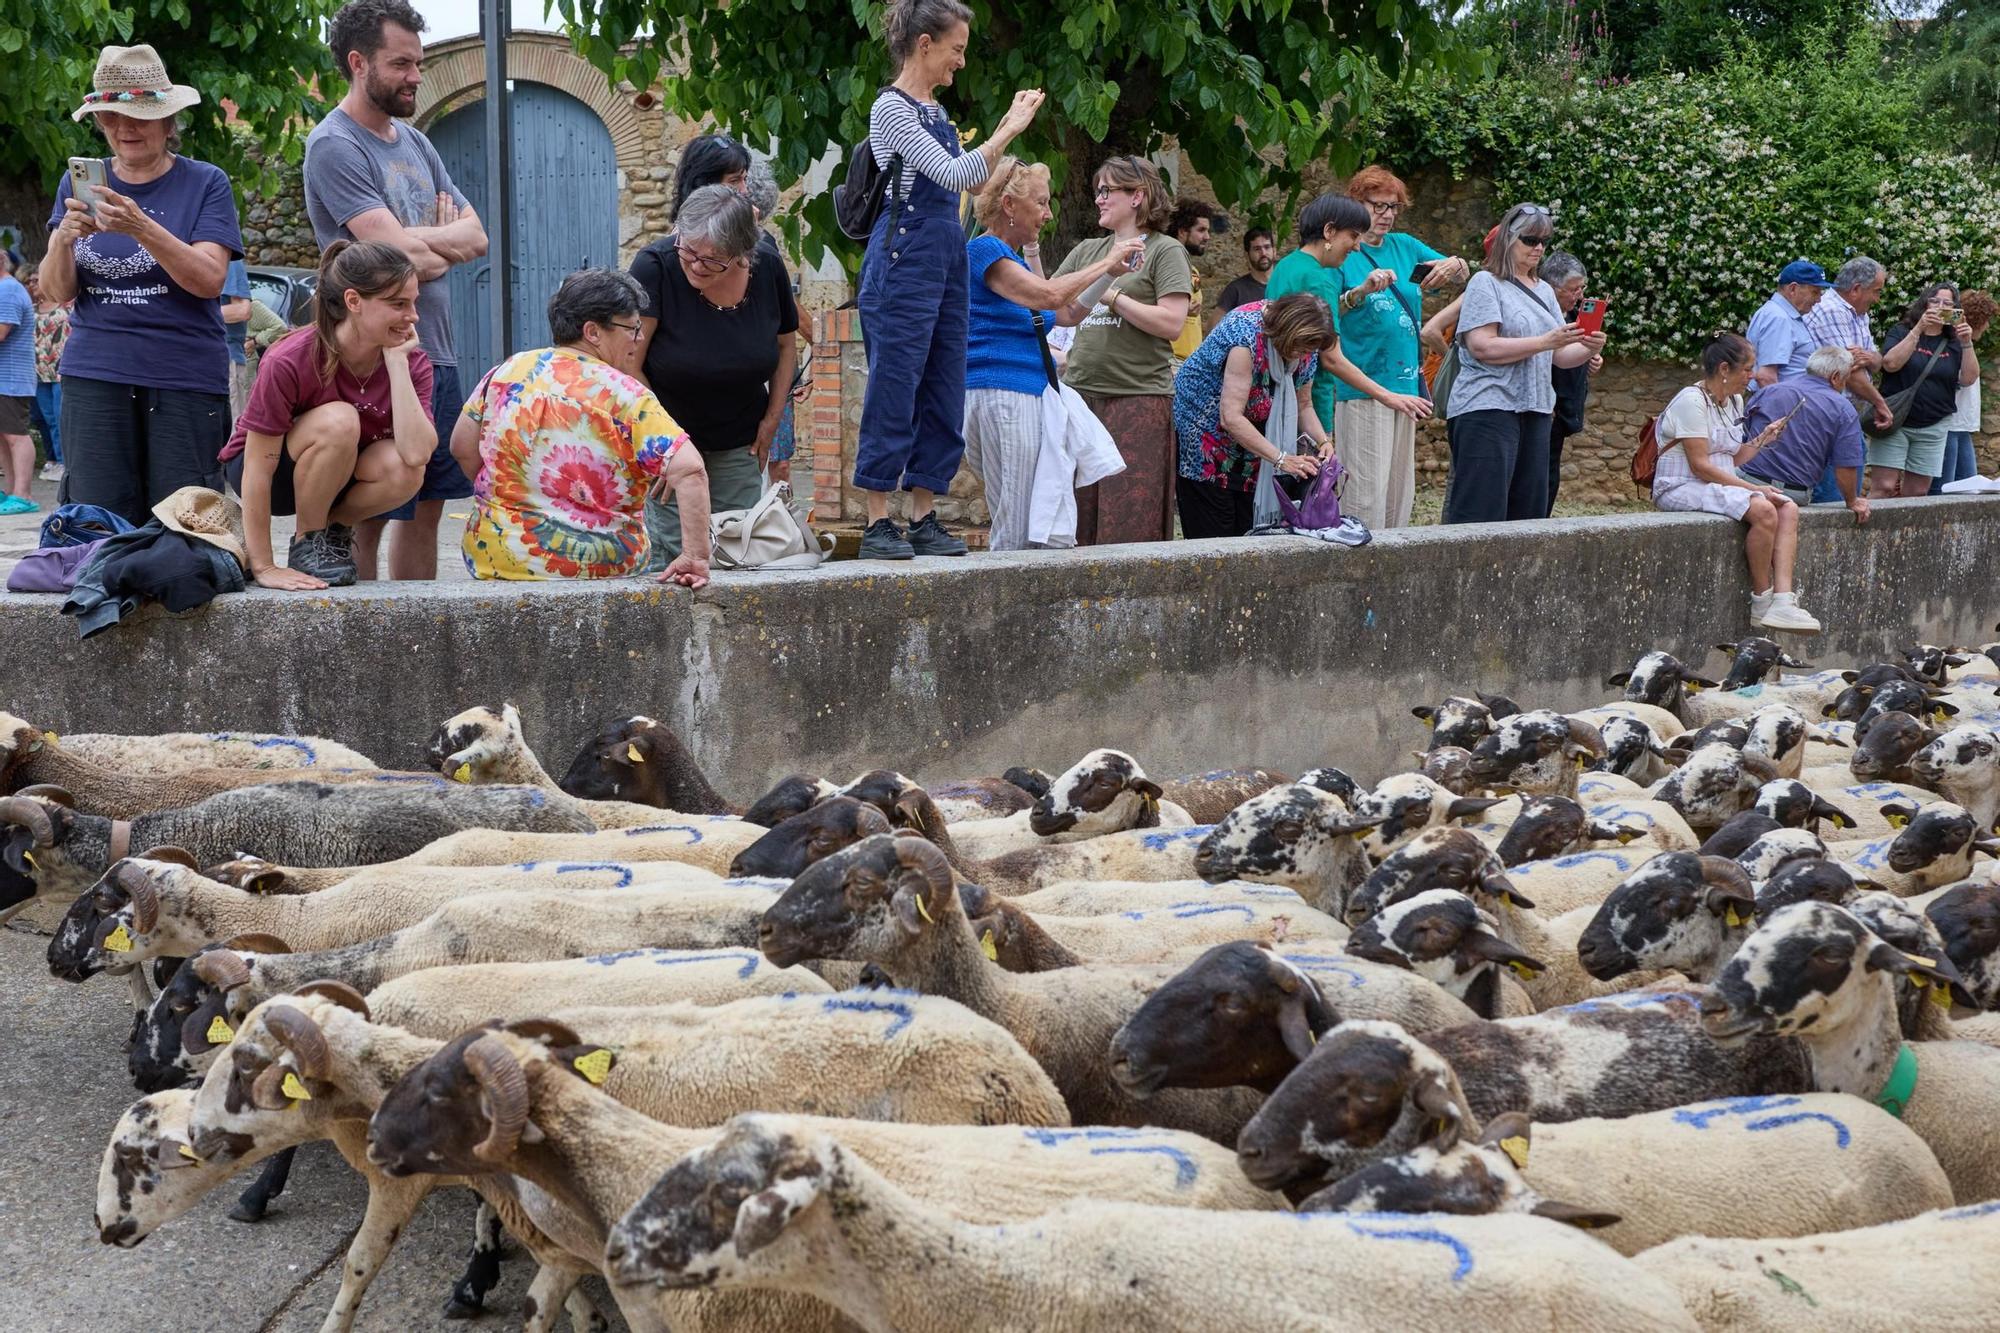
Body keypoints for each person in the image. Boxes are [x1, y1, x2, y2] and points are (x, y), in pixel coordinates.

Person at [305, 0, 488, 581]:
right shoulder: (335, 145)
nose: (415, 76)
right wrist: (430, 243)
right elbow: (393, 264)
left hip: (437, 351)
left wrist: (415, 243)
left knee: (428, 506)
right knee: (375, 507)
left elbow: (478, 236)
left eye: (419, 63)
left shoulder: (416, 142)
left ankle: (417, 624)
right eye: (401, 64)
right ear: (358, 63)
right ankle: (360, 625)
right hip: (375, 358)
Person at [854, 0, 1045, 559]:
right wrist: (1008, 129)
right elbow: (955, 173)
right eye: (957, 49)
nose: (961, 60)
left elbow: (975, 182)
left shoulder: (936, 113)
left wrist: (999, 136)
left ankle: (923, 515)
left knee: (943, 385)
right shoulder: (890, 108)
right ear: (925, 44)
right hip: (903, 257)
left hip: (945, 258)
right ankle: (877, 523)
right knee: (894, 386)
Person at [39, 43, 242, 525]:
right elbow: (57, 291)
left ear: (169, 122)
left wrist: (141, 228)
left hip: (183, 374)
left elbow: (209, 280)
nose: (125, 127)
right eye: (111, 117)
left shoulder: (206, 182)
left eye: (140, 116)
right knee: (96, 521)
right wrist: (62, 240)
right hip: (95, 372)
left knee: (185, 524)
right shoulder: (77, 184)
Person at [451, 268, 711, 585]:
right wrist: (696, 556)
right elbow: (690, 469)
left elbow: (461, 447)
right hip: (597, 568)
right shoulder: (627, 396)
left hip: (495, 558)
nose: (640, 338)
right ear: (593, 332)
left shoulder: (506, 372)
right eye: (632, 328)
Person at [220, 241, 431, 590]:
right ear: (353, 301)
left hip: (339, 475)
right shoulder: (291, 357)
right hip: (273, 476)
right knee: (340, 420)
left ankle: (329, 531)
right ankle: (308, 541)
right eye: (398, 304)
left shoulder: (412, 361)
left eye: (413, 302)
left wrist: (397, 364)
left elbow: (417, 454)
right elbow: (258, 467)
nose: (413, 316)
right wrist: (264, 566)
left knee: (405, 469)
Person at [961, 157, 1143, 550]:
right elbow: (1050, 295)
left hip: (1018, 393)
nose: (1047, 214)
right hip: (1005, 393)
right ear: (1009, 205)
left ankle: (1016, 584)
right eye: (1041, 203)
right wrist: (1106, 260)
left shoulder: (1010, 260)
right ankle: (1010, 587)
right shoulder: (985, 250)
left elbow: (1068, 313)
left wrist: (1111, 273)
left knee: (1026, 516)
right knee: (1019, 520)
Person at [629, 185, 796, 564]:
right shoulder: (655, 267)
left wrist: (772, 420)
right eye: (688, 252)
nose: (696, 265)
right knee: (675, 555)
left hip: (740, 440)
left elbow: (786, 347)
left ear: (741, 253)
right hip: (670, 443)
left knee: (737, 551)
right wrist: (663, 441)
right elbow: (629, 363)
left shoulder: (768, 267)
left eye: (713, 259)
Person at [1316, 166, 1469, 529]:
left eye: (1394, 207)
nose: (1387, 214)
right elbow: (1323, 314)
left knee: (1399, 496)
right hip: (1363, 386)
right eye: (1378, 205)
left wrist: (1456, 264)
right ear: (1357, 203)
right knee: (1364, 496)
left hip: (1405, 385)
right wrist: (1360, 292)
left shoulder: (1406, 246)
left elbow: (1464, 276)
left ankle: (1392, 558)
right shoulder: (1344, 253)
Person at [1051, 156, 1190, 546]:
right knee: (1076, 521)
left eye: (1107, 190)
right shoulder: (1087, 251)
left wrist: (1111, 295)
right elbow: (1051, 302)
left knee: (1130, 525)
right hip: (1079, 399)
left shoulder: (1165, 250)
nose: (1098, 199)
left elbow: (1171, 323)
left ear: (1137, 196)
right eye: (1097, 191)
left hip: (1138, 400)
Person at [1440, 203, 1604, 525]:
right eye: (1530, 239)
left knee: (1528, 517)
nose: (1538, 247)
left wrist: (1588, 348)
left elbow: (1560, 356)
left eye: (1544, 240)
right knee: (1479, 516)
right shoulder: (1485, 282)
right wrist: (1544, 342)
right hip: (1488, 407)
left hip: (1537, 410)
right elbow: (1482, 346)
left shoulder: (1544, 290)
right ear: (1508, 239)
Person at [1651, 331, 1819, 633]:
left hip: (1716, 485)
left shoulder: (1734, 401)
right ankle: (1762, 601)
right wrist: (1755, 489)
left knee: (1788, 507)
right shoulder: (1691, 401)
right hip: (1679, 486)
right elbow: (1700, 466)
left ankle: (1783, 601)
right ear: (1724, 369)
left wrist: (1763, 438)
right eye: (1747, 369)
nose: (1751, 376)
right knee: (1765, 508)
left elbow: (1734, 457)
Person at [1171, 293, 1337, 538]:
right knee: (1214, 538)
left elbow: (1304, 404)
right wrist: (1281, 459)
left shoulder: (1307, 346)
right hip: (1205, 440)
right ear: (1288, 331)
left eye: (1309, 350)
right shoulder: (1245, 336)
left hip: (1256, 447)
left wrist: (1323, 442)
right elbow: (1231, 417)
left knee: (1249, 533)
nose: (1304, 355)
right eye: (1302, 348)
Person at [1869, 283, 1979, 499]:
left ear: (1955, 309)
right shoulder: (1901, 331)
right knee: (1884, 487)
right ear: (1924, 304)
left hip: (1934, 425)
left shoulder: (1954, 341)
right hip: (1896, 421)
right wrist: (1919, 329)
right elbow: (1890, 364)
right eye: (1935, 301)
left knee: (1918, 492)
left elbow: (1968, 379)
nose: (1940, 306)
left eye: (1947, 303)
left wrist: (1967, 343)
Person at [1738, 346, 1871, 522]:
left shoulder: (1769, 391)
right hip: (1793, 494)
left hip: (1746, 482)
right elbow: (1846, 466)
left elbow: (1742, 436)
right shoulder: (1843, 408)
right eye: (1845, 380)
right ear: (1835, 377)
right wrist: (1852, 501)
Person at [745, 157, 812, 489]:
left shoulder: (762, 243)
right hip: (757, 366)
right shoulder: (756, 243)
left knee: (778, 461)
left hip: (771, 364)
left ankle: (778, 515)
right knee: (771, 461)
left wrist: (818, 346)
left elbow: (787, 306)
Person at [1540, 251, 1603, 516]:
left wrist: (1592, 358)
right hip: (1546, 408)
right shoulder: (1541, 314)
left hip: (1566, 407)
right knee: (1540, 476)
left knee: (1550, 474)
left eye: (1582, 288)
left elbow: (1575, 355)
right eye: (1573, 289)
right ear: (1553, 287)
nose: (1579, 295)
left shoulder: (1576, 316)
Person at [1934, 289, 1992, 491]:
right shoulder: (1954, 346)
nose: (1988, 326)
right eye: (1986, 320)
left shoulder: (1967, 347)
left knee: (1969, 489)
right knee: (1945, 488)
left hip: (1961, 427)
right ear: (1978, 320)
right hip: (1949, 425)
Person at [1745, 261, 1832, 387]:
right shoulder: (1778, 318)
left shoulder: (1781, 315)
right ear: (1793, 289)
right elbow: (1766, 377)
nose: (1819, 299)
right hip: (1784, 399)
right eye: (1815, 292)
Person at [23, 264, 69, 482]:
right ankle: (52, 459)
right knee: (45, 418)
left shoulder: (65, 306)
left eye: (36, 280)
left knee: (60, 417)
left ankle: (64, 461)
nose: (32, 284)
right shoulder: (31, 309)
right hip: (38, 371)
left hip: (60, 371)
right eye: (29, 281)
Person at [0, 249, 36, 514]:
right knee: (4, 437)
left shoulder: (8, 290)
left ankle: (23, 495)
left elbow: (1, 332)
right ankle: (11, 492)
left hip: (11, 378)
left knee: (16, 436)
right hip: (4, 379)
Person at [1167, 197, 1217, 360]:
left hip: (1188, 360)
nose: (1207, 237)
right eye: (1201, 230)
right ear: (1182, 231)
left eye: (1208, 231)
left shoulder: (1192, 270)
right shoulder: (1165, 264)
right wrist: (1179, 309)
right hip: (1171, 359)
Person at [220, 258, 255, 419]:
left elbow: (242, 310)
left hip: (227, 361)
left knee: (233, 430)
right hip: (194, 364)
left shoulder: (229, 259)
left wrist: (193, 314)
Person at [1216, 227, 1275, 319]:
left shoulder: (1287, 285)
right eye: (1257, 249)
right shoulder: (1236, 290)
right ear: (1247, 255)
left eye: (1267, 247)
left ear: (1274, 251)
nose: (1263, 253)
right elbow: (1214, 325)